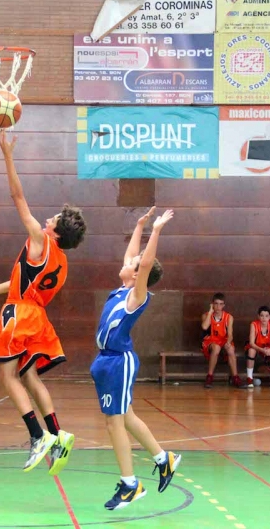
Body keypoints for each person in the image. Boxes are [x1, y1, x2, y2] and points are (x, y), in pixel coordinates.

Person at [0, 130, 87, 475]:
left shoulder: (39, 240)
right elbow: (20, 287)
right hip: (37, 317)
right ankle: (57, 435)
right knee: (30, 377)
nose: (48, 219)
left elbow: (17, 196)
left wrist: (8, 156)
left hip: (20, 316)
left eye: (53, 219)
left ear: (55, 231)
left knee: (6, 375)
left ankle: (36, 436)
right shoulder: (62, 263)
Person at [90, 207, 181, 510]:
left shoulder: (135, 297)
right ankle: (163, 458)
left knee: (113, 422)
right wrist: (140, 226)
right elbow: (133, 257)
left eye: (133, 264)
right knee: (126, 416)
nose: (127, 261)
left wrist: (156, 230)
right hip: (106, 361)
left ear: (138, 273)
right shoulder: (121, 289)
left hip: (119, 361)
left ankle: (130, 485)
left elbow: (143, 264)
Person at [201, 293, 241, 388]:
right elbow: (204, 327)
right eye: (216, 303)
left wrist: (228, 342)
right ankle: (209, 376)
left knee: (231, 349)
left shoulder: (229, 317)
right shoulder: (206, 315)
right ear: (212, 304)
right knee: (216, 348)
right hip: (210, 341)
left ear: (224, 305)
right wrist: (210, 312)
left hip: (223, 340)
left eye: (220, 304)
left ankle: (235, 377)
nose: (218, 306)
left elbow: (230, 334)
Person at [244, 306, 270, 388]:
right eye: (262, 316)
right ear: (258, 316)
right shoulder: (254, 324)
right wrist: (262, 350)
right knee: (251, 351)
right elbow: (251, 343)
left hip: (268, 348)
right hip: (257, 347)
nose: (264, 318)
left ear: (269, 317)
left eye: (266, 316)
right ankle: (249, 378)